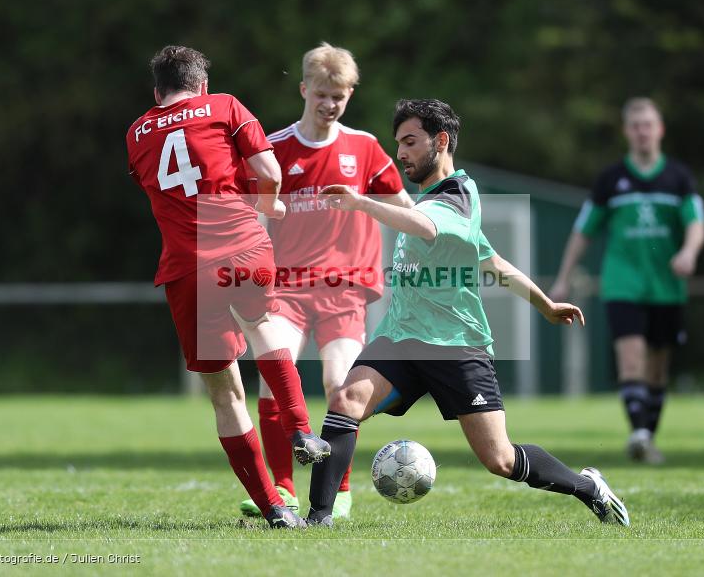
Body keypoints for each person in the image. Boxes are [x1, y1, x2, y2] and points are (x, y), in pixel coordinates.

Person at [306, 98, 630, 527]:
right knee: (345, 401)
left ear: (440, 142)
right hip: (401, 337)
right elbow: (492, 261)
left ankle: (588, 487)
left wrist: (361, 203)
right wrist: (546, 303)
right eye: (397, 143)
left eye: (410, 142)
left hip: (455, 345)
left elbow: (425, 227)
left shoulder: (458, 196)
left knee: (500, 459)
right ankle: (318, 519)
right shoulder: (427, 202)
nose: (400, 153)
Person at [125, 45, 331, 529]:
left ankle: (274, 508)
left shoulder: (136, 132)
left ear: (157, 91)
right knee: (262, 326)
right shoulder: (223, 106)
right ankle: (301, 430)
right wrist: (270, 206)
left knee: (225, 395)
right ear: (202, 86)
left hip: (186, 268)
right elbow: (269, 172)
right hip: (243, 248)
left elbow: (161, 186)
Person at [238, 43, 412, 519]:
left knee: (341, 384)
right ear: (303, 90)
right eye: (320, 94)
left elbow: (405, 210)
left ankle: (340, 489)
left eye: (338, 95)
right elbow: (250, 218)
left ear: (349, 94)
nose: (329, 104)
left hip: (345, 289)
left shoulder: (365, 147)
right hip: (287, 289)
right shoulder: (272, 150)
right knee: (275, 379)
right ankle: (285, 490)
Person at [549, 97, 704, 464]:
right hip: (623, 283)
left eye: (648, 124)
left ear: (660, 129)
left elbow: (696, 223)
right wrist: (563, 278)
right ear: (626, 132)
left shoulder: (678, 177)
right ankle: (637, 432)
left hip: (666, 286)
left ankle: (646, 435)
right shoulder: (610, 180)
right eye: (635, 125)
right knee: (631, 356)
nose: (642, 132)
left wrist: (689, 252)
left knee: (658, 365)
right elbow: (583, 231)